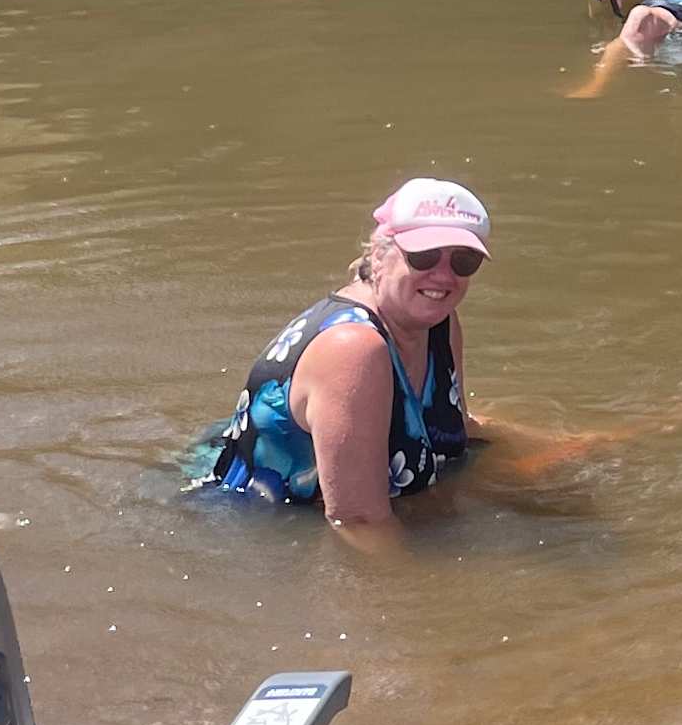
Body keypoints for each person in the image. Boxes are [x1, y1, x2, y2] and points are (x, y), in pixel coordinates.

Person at [194, 179, 490, 537]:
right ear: (379, 255)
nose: (444, 276)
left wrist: (563, 448)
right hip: (248, 532)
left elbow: (461, 429)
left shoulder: (438, 322)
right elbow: (358, 523)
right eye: (423, 256)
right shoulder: (353, 350)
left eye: (464, 260)